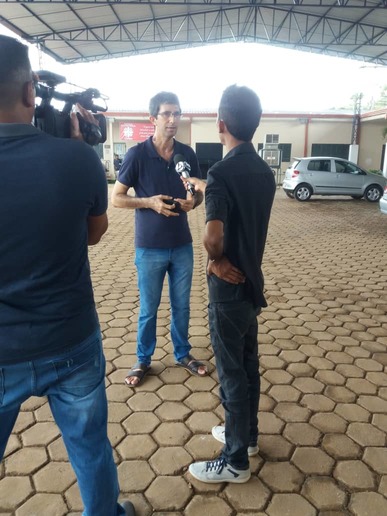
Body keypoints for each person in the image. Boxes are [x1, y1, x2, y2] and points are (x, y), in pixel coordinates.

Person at [0, 36, 135, 516]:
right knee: (90, 448)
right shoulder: (77, 159)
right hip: (71, 341)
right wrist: (72, 158)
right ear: (30, 91)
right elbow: (94, 234)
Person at [186, 85, 276, 483]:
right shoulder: (264, 172)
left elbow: (213, 237)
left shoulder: (220, 173)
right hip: (252, 285)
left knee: (231, 372)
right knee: (249, 366)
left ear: (220, 123)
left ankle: (235, 460)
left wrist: (215, 260)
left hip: (227, 291)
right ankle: (248, 435)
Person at [111, 91, 206, 386]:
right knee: (148, 308)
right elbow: (116, 198)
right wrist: (148, 202)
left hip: (182, 245)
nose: (173, 119)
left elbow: (199, 193)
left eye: (177, 113)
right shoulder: (137, 155)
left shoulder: (186, 155)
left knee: (182, 305)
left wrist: (195, 202)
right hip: (149, 247)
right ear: (153, 118)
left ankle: (183, 353)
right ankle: (142, 359)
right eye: (167, 113)